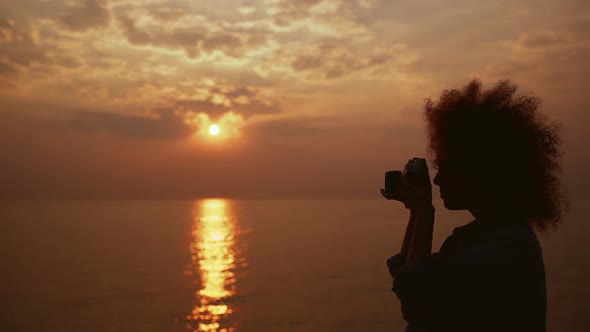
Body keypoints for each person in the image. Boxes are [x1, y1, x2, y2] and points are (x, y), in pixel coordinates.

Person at [380, 78, 569, 332]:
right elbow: (409, 274)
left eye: (446, 167)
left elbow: (416, 302)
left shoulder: (502, 253)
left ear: (480, 170)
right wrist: (417, 210)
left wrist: (424, 212)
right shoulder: (480, 238)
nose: (437, 179)